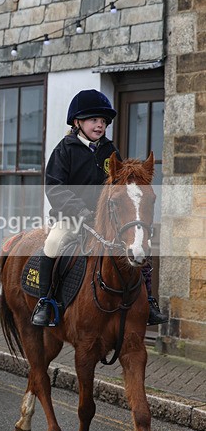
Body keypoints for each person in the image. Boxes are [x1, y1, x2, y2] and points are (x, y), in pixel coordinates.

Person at [31, 88, 167, 327]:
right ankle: (45, 301)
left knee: (135, 244)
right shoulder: (64, 150)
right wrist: (80, 210)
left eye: (103, 121)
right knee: (52, 244)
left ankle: (149, 301)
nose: (99, 125)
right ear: (77, 122)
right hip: (71, 218)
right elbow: (54, 188)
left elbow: (121, 185)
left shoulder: (110, 150)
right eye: (94, 120)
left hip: (105, 219)